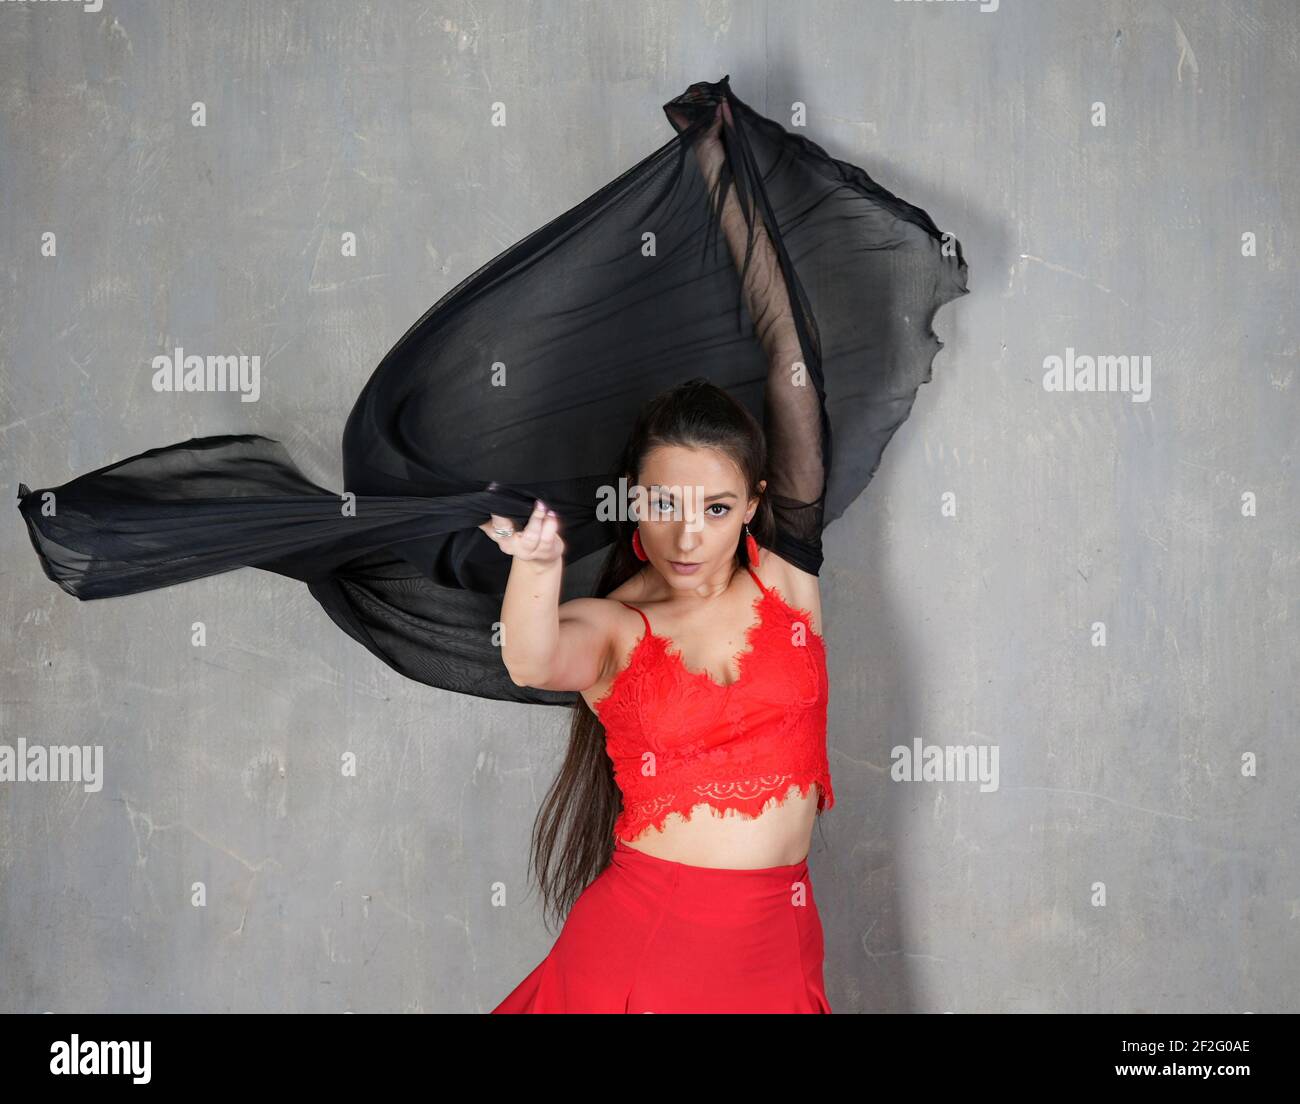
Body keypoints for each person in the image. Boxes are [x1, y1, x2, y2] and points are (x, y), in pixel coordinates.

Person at [486, 100, 835, 1013]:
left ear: (757, 504)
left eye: (716, 508)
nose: (688, 535)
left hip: (780, 939)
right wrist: (534, 564)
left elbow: (792, 362)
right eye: (664, 505)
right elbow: (529, 657)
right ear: (636, 503)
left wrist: (721, 177)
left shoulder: (784, 578)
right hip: (649, 950)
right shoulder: (618, 626)